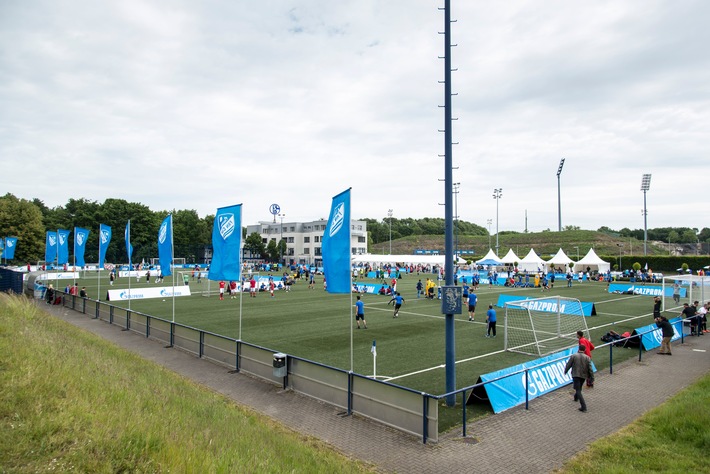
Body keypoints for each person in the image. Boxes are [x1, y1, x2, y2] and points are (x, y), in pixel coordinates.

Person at [564, 344, 592, 412]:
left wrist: (565, 371)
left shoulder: (574, 356)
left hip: (576, 374)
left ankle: (583, 407)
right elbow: (590, 368)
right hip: (583, 375)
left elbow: (569, 364)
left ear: (578, 349)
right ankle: (576, 397)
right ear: (584, 350)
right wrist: (592, 377)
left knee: (578, 390)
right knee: (579, 388)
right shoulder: (587, 357)